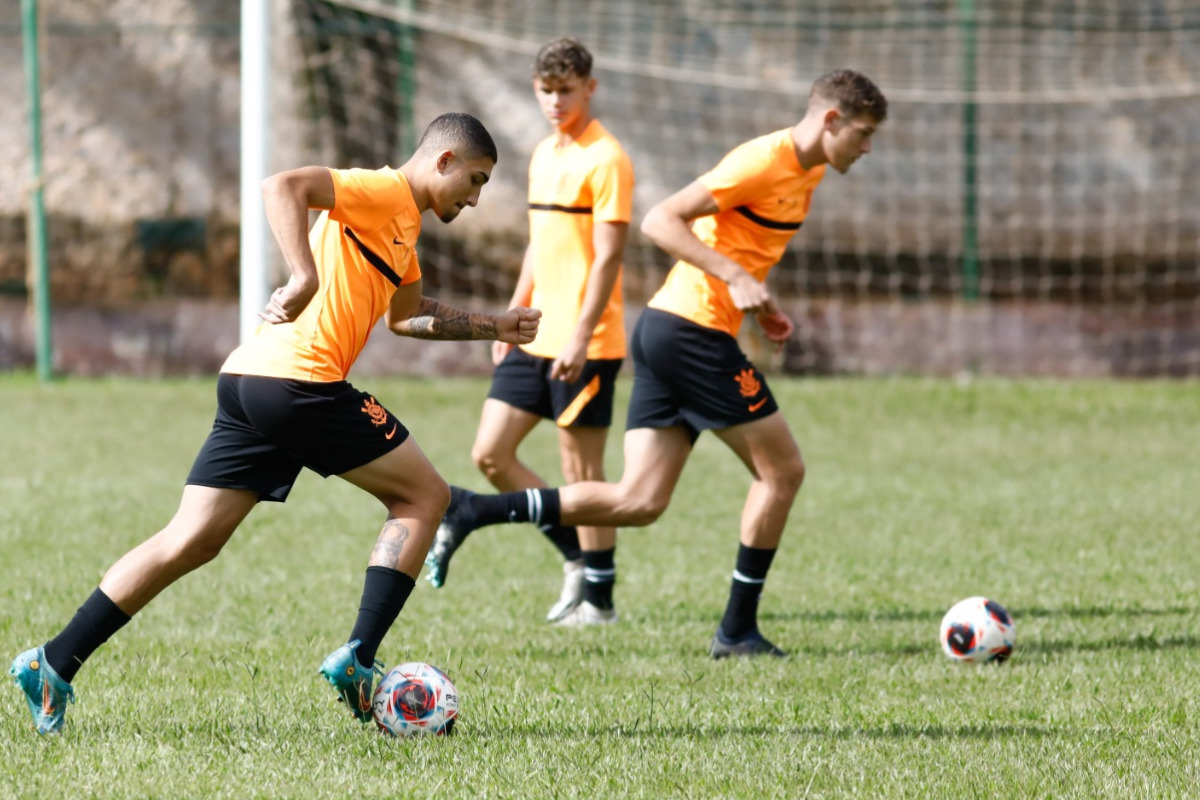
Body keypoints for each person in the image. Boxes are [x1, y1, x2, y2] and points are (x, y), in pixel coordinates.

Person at [9, 112, 541, 734]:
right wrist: (303, 275)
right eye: (475, 180)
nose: (476, 198)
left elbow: (408, 314)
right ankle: (360, 658)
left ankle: (52, 662)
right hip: (299, 383)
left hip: (249, 383)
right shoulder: (383, 191)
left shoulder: (403, 231)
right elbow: (282, 185)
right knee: (426, 496)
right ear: (443, 161)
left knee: (191, 539)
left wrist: (493, 326)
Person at [427, 70, 887, 654]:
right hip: (690, 334)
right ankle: (737, 630)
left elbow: (739, 244)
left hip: (675, 330)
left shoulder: (810, 169)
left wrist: (760, 303)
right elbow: (661, 220)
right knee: (783, 473)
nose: (867, 147)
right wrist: (735, 276)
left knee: (638, 502)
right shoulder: (762, 161)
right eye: (864, 133)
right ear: (831, 121)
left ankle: (474, 508)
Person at [424, 37, 634, 626]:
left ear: (590, 88)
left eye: (566, 90)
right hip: (534, 333)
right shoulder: (543, 153)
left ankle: (600, 598)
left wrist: (580, 335)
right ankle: (575, 561)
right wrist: (509, 315)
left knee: (581, 473)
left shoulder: (608, 159)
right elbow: (540, 246)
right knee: (490, 453)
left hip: (586, 342)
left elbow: (609, 260)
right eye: (545, 90)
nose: (554, 100)